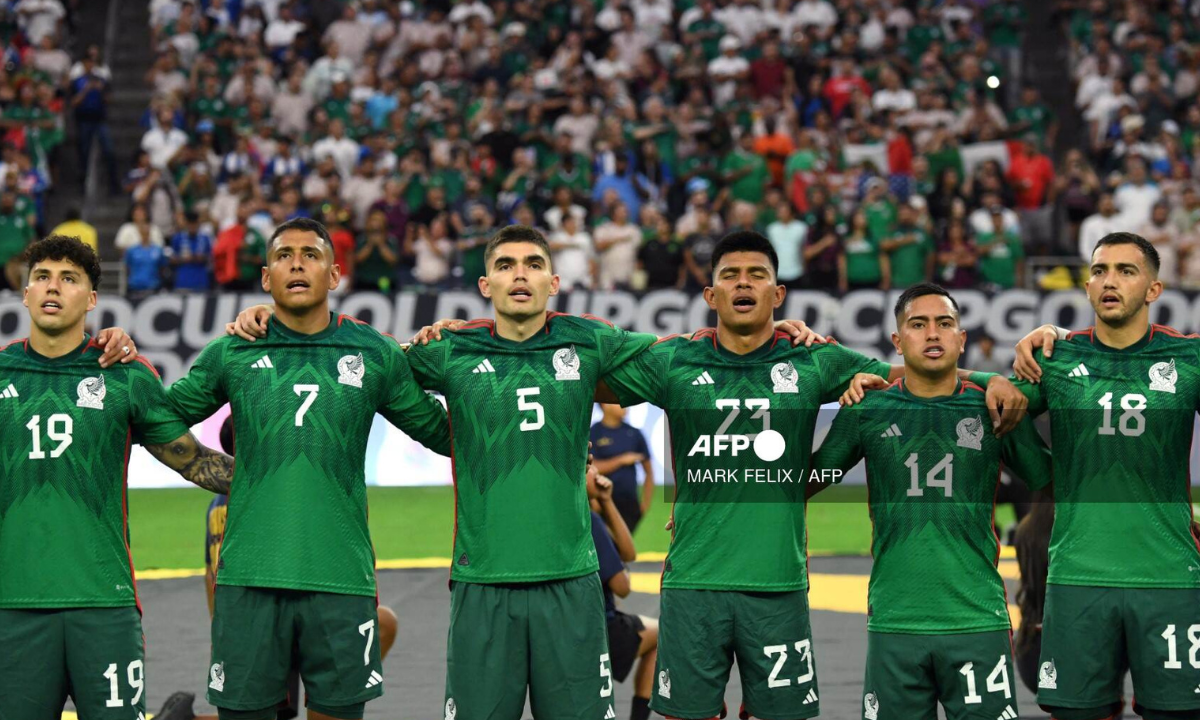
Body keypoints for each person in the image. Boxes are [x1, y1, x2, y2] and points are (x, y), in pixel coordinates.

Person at [599, 232, 1026, 720]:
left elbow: (918, 374)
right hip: (693, 583)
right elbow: (585, 382)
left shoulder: (814, 358)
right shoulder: (673, 358)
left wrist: (988, 379)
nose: (744, 283)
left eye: (757, 275)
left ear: (777, 294)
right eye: (730, 276)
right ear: (710, 295)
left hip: (779, 585)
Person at [166, 217, 453, 720]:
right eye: (284, 255)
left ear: (335, 274)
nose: (297, 263)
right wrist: (215, 471)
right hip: (250, 580)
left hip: (340, 580)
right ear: (265, 277)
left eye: (311, 254)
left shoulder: (374, 353)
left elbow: (444, 434)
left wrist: (462, 352)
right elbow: (154, 416)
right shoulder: (233, 351)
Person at [0, 235, 233, 720]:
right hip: (11, 606)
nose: (52, 287)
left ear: (91, 299)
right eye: (41, 276)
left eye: (69, 279)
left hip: (104, 607)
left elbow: (192, 461)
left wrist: (273, 481)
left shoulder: (125, 375)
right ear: (25, 293)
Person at [812, 282, 1051, 720]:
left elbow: (1047, 480)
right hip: (895, 621)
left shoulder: (994, 406)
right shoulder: (866, 409)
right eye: (918, 325)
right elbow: (809, 480)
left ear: (961, 338)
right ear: (897, 342)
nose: (933, 334)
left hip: (977, 619)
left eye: (945, 323)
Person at [1010, 232, 1200, 720]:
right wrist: (1043, 472)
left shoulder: (1190, 358)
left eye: (1125, 270)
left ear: (1153, 290)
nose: (1109, 280)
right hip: (1077, 578)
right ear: (1088, 287)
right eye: (1099, 271)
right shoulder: (1054, 358)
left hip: (1170, 578)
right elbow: (995, 410)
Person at [155, 415, 402, 720]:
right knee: (275, 708)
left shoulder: (222, 501)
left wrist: (218, 624)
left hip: (262, 608)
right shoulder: (257, 501)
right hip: (277, 607)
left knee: (384, 624)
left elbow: (211, 571)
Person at [589, 466, 658, 720]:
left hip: (561, 623)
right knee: (660, 634)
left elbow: (627, 553)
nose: (596, 472)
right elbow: (623, 587)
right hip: (599, 626)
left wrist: (606, 502)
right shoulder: (590, 519)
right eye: (589, 467)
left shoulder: (582, 514)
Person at [590, 403, 654, 532]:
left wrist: (645, 503)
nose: (625, 406)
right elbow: (591, 467)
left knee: (623, 548)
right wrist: (621, 460)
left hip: (629, 504)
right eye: (618, 402)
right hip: (602, 503)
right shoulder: (594, 432)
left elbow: (648, 471)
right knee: (607, 546)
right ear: (605, 405)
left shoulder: (634, 434)